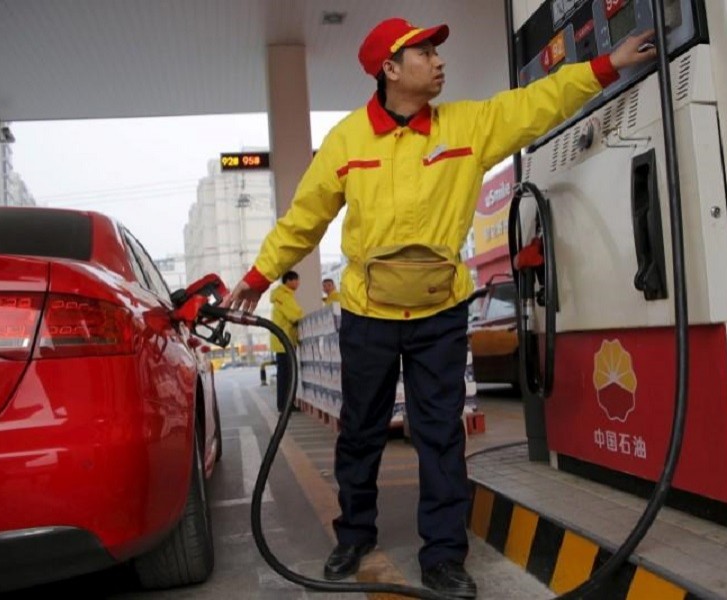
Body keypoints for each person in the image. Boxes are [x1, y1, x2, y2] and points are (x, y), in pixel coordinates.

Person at [222, 16, 655, 598]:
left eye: (436, 51)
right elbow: (305, 219)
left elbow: (538, 102)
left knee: (440, 437)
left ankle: (445, 556)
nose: (438, 60)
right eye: (423, 52)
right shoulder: (348, 142)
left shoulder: (468, 125)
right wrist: (257, 275)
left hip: (440, 312)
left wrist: (606, 64)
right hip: (369, 314)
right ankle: (353, 537)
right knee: (361, 433)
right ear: (390, 70)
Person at [270, 271, 303, 412]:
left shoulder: (281, 295)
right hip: (285, 340)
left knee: (285, 374)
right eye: (296, 280)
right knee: (288, 374)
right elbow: (294, 315)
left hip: (281, 340)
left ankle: (284, 404)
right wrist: (302, 318)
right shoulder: (285, 296)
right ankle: (286, 405)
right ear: (288, 281)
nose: (298, 283)